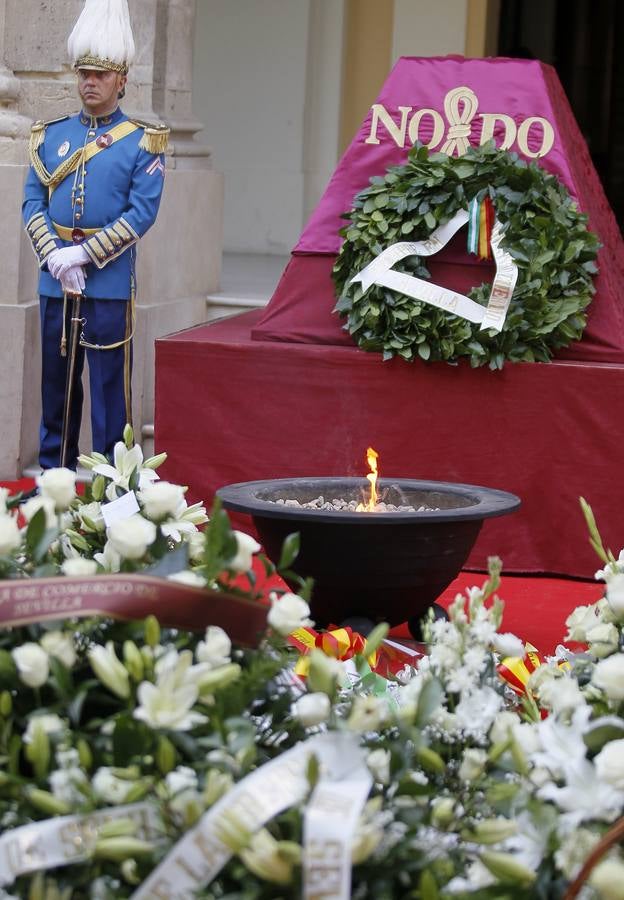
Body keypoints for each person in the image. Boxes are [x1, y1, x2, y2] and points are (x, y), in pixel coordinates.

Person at [22, 0, 169, 471]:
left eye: (100, 74)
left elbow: (140, 214)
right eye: (84, 72)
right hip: (55, 284)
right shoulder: (50, 136)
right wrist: (55, 258)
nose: (89, 81)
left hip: (106, 285)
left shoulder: (142, 141)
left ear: (121, 79)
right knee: (56, 392)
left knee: (110, 399)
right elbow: (32, 204)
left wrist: (83, 255)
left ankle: (113, 492)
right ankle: (54, 484)